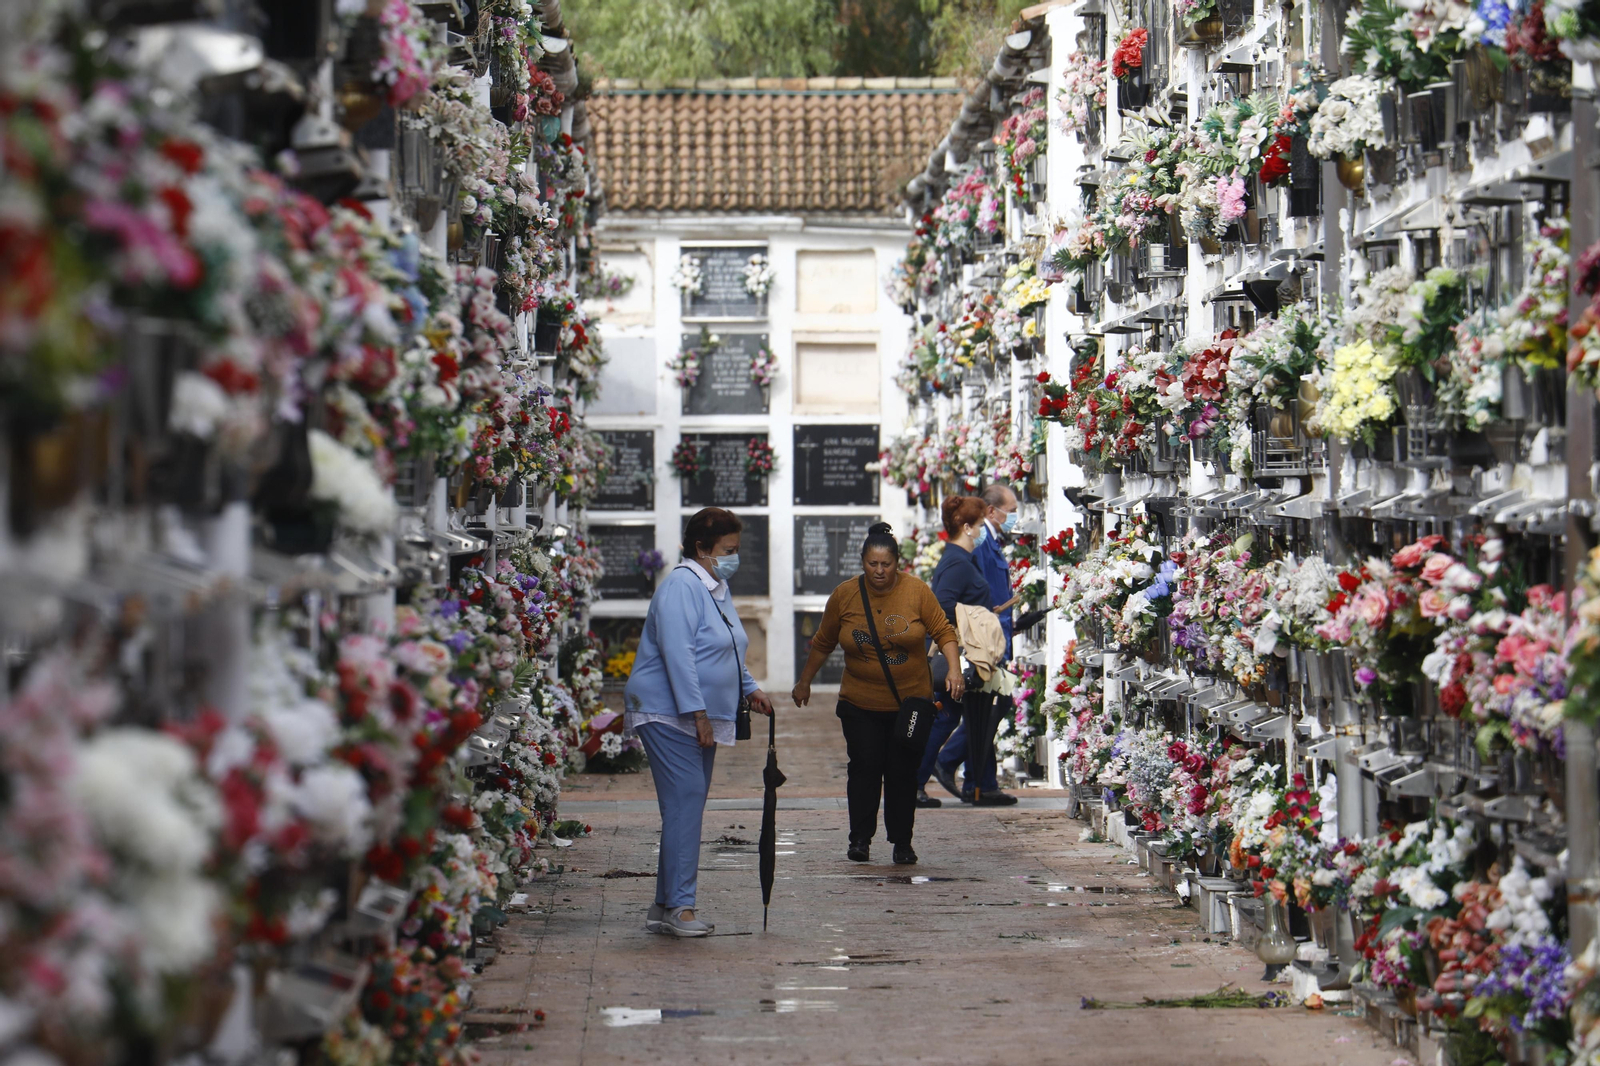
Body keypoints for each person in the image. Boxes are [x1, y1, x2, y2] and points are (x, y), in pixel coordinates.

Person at [623, 507, 775, 936]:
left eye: (736, 550)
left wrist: (750, 688)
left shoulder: (715, 587)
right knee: (686, 803)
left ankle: (664, 906)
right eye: (726, 550)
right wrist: (699, 714)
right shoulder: (680, 587)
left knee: (684, 806)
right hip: (668, 713)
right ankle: (681, 908)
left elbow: (726, 645)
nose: (733, 558)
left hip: (692, 714)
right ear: (701, 548)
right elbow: (679, 655)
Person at [791, 522, 963, 865]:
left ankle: (902, 842)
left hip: (908, 705)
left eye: (886, 564)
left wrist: (954, 670)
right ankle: (860, 839)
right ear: (862, 562)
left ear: (898, 562)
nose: (880, 571)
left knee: (902, 772)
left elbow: (943, 631)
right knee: (864, 768)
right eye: (872, 564)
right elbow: (823, 641)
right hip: (860, 702)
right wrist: (804, 681)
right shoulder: (845, 595)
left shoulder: (916, 592)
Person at [929, 483, 1020, 806]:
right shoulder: (971, 551)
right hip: (978, 645)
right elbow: (952, 602)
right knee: (982, 710)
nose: (1015, 517)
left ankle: (979, 783)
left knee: (982, 710)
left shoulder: (981, 546)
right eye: (1011, 511)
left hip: (990, 639)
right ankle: (955, 767)